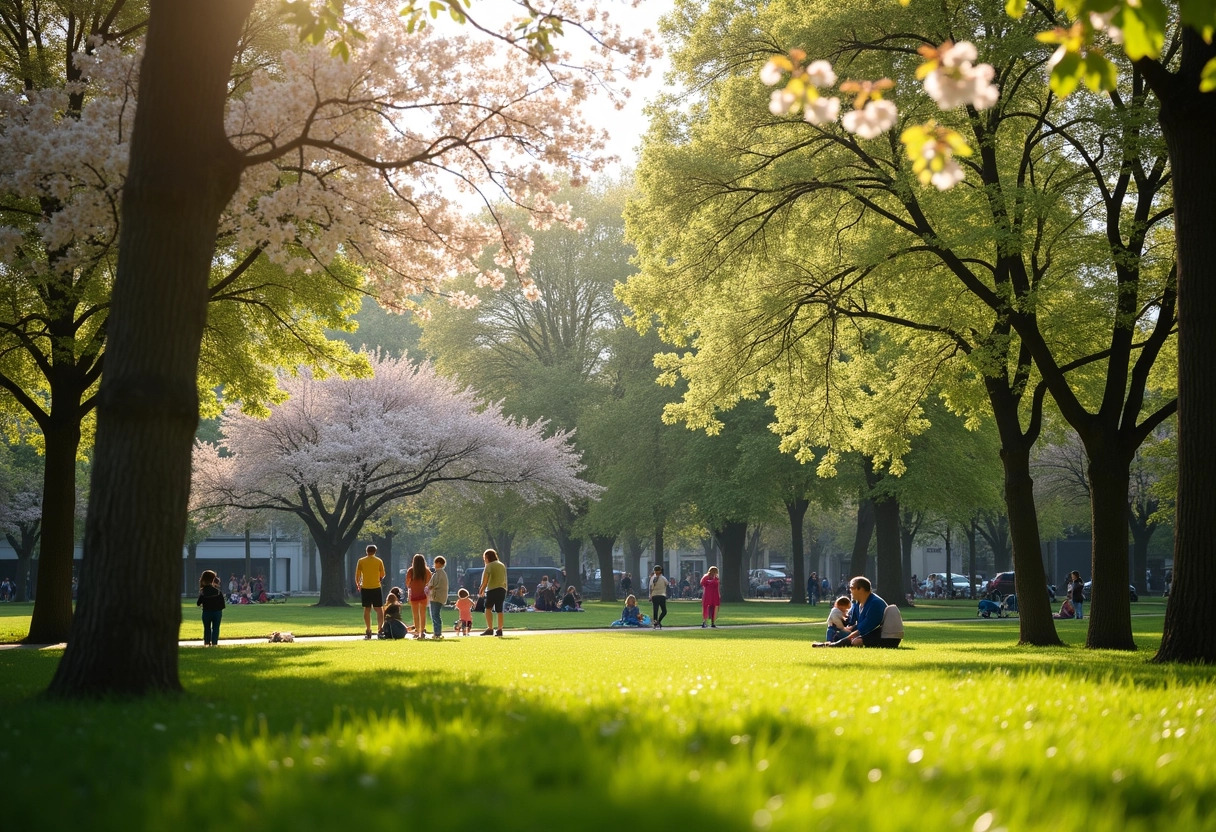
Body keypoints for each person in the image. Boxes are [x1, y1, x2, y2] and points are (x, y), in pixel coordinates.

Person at [813, 576, 898, 648]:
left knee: (856, 641)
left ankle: (831, 645)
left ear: (860, 589)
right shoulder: (858, 603)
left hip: (883, 635)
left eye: (851, 588)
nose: (850, 591)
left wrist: (840, 642)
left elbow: (864, 629)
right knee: (836, 631)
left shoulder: (875, 604)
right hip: (868, 632)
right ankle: (829, 643)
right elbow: (851, 622)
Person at [355, 544, 386, 639]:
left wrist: (358, 584)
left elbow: (358, 574)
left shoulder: (361, 561)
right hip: (376, 587)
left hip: (365, 587)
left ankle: (368, 630)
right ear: (375, 551)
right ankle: (380, 629)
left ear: (366, 551)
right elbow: (383, 574)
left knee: (367, 609)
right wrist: (379, 579)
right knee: (379, 609)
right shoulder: (379, 561)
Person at [477, 548, 508, 637]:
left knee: (488, 608)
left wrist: (481, 590)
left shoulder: (489, 565)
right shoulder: (501, 565)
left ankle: (490, 628)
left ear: (487, 557)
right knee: (499, 610)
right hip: (502, 589)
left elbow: (485, 580)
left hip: (492, 589)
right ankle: (499, 629)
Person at [196, 569, 225, 647]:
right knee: (216, 628)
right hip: (217, 612)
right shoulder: (218, 592)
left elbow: (198, 603)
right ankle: (214, 643)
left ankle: (207, 643)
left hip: (206, 612)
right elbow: (222, 605)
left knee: (207, 628)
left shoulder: (203, 592)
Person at [406, 553, 432, 640]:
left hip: (414, 593)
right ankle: (422, 630)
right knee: (423, 613)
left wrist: (411, 585)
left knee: (415, 614)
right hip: (423, 594)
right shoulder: (426, 571)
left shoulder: (411, 570)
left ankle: (417, 631)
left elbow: (407, 582)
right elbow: (429, 580)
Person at [428, 555, 449, 640]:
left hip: (436, 597)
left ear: (439, 563)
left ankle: (437, 633)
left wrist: (427, 588)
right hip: (440, 597)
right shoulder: (442, 573)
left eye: (435, 562)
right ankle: (437, 632)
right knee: (436, 615)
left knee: (434, 615)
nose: (434, 564)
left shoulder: (438, 573)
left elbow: (432, 585)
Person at [649, 564, 671, 629]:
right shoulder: (663, 578)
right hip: (662, 595)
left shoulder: (652, 578)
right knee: (664, 611)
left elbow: (650, 588)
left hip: (654, 595)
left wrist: (650, 596)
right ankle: (659, 621)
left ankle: (655, 623)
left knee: (655, 610)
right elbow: (667, 584)